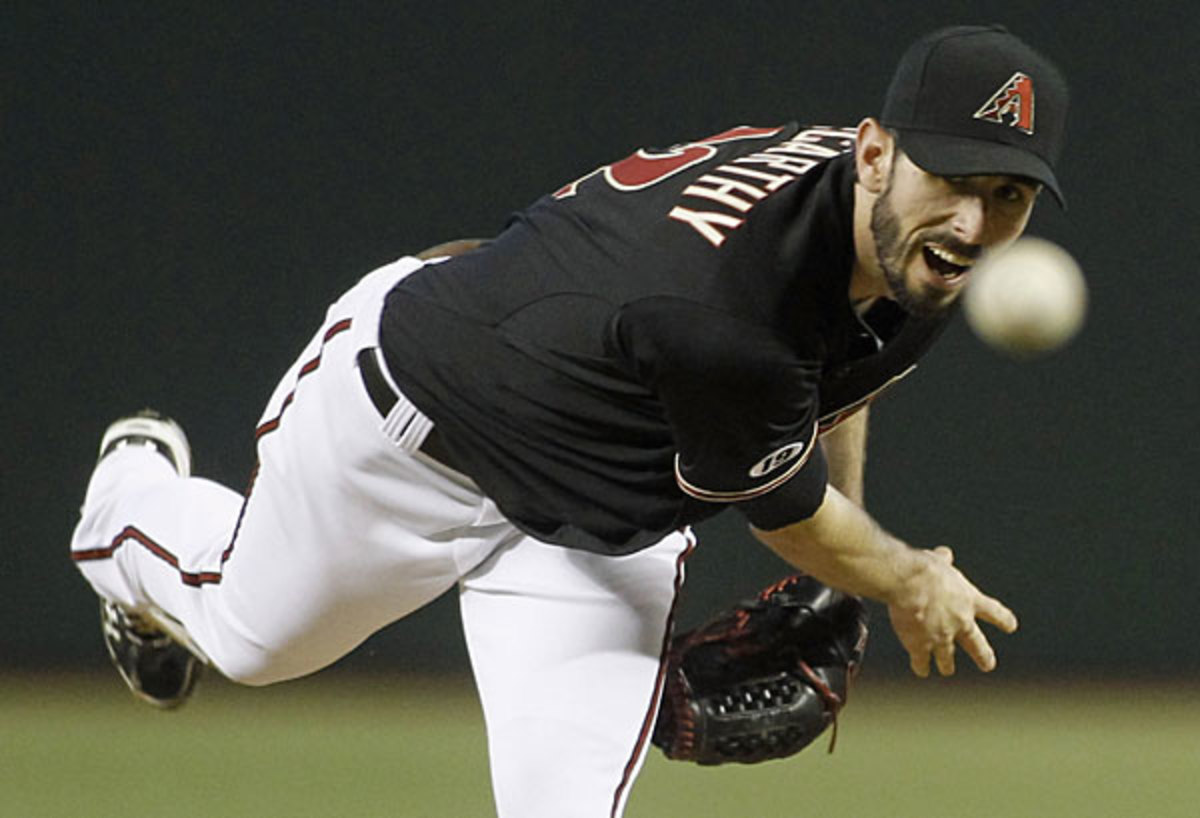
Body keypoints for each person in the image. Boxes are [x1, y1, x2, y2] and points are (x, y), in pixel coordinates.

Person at [70, 24, 1068, 818]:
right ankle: (132, 491)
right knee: (250, 639)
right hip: (411, 432)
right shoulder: (726, 309)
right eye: (951, 178)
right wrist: (901, 576)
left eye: (1008, 194)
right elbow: (789, 511)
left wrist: (847, 560)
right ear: (876, 150)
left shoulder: (906, 245)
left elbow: (834, 388)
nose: (975, 222)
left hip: (590, 525)